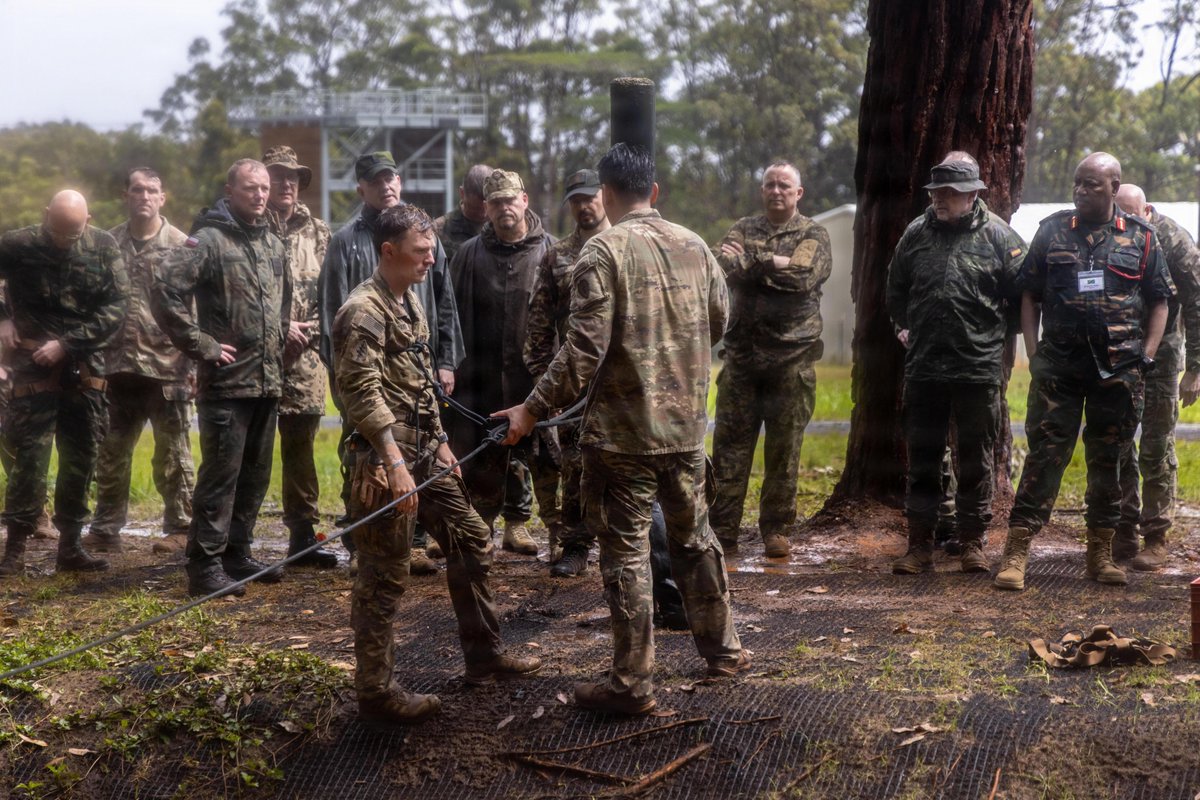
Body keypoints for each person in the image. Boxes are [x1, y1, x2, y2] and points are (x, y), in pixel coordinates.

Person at [495, 144, 746, 715]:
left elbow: (582, 351)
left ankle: (632, 683)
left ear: (605, 194)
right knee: (695, 538)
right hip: (684, 430)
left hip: (622, 438)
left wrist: (528, 411)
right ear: (654, 192)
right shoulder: (696, 246)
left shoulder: (601, 252)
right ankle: (723, 651)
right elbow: (720, 320)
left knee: (627, 553)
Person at [333, 204, 540, 725]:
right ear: (389, 251)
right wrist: (395, 462)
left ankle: (484, 655)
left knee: (471, 538)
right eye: (421, 251)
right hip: (382, 463)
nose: (431, 259)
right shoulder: (363, 311)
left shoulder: (408, 304)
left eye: (432, 249)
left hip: (423, 451)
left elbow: (420, 384)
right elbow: (361, 393)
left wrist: (443, 443)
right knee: (384, 575)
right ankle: (375, 693)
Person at [997, 152, 1173, 591]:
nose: (1081, 191)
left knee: (1109, 463)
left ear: (1115, 187)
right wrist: (1034, 352)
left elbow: (1161, 301)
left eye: (1092, 184)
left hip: (1118, 372)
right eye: (1078, 183)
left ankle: (1101, 554)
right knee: (1044, 458)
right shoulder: (1052, 231)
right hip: (1059, 370)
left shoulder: (1141, 237)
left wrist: (1147, 355)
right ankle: (1016, 552)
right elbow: (1029, 295)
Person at [318, 151, 463, 575]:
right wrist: (346, 387)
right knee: (368, 461)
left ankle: (412, 541)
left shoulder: (423, 235)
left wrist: (446, 361)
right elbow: (333, 317)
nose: (386, 186)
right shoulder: (346, 241)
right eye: (375, 180)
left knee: (417, 457)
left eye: (391, 178)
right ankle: (367, 542)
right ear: (361, 188)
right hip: (366, 377)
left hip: (419, 372)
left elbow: (445, 304)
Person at [152, 159, 291, 597]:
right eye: (251, 187)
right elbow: (164, 290)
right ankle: (204, 566)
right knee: (220, 478)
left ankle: (238, 553)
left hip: (268, 380)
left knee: (255, 475)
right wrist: (203, 345)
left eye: (265, 187)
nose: (261, 195)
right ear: (230, 189)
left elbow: (282, 303)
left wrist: (284, 336)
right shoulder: (208, 240)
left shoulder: (271, 241)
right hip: (227, 383)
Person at [886, 155, 1025, 574]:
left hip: (977, 367)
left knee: (975, 457)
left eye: (949, 193)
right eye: (936, 192)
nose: (940, 200)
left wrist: (994, 337)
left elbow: (1024, 300)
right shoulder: (915, 233)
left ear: (972, 195)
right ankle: (919, 546)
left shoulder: (1001, 237)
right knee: (925, 456)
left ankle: (972, 544)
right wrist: (904, 326)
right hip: (925, 364)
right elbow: (896, 288)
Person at [0, 190, 129, 576]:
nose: (64, 240)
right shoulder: (17, 244)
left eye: (73, 233)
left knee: (80, 459)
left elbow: (118, 305)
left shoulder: (104, 247)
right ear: (46, 216)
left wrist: (68, 344)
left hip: (84, 369)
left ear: (87, 221)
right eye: (58, 230)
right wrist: (2, 316)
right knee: (29, 462)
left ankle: (70, 548)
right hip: (32, 369)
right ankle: (14, 553)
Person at [710, 161, 832, 558]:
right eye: (769, 185)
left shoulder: (814, 232)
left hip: (790, 361)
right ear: (762, 191)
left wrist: (751, 262)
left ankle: (776, 530)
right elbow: (721, 263)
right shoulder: (743, 227)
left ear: (799, 193)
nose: (776, 191)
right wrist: (774, 262)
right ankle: (722, 528)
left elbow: (803, 275)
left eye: (784, 185)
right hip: (742, 360)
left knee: (784, 451)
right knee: (729, 449)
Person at [85, 168, 195, 557]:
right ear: (125, 194)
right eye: (137, 189)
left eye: (152, 190)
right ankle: (105, 528)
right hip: (116, 367)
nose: (144, 196)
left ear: (162, 198)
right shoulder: (107, 243)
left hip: (168, 366)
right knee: (110, 452)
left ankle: (181, 527)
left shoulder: (183, 244)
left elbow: (194, 309)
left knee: (172, 455)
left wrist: (195, 364)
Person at [449, 170, 554, 556]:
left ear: (524, 200)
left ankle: (525, 525)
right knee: (483, 453)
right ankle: (483, 527)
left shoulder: (550, 251)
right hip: (482, 376)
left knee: (543, 458)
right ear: (486, 208)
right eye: (496, 202)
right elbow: (452, 315)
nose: (504, 207)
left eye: (510, 199)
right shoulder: (468, 254)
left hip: (536, 377)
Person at [525, 169, 610, 573]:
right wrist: (549, 384)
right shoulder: (557, 255)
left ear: (605, 196)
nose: (583, 205)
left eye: (589, 197)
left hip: (624, 378)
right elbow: (539, 327)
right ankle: (575, 544)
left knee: (628, 461)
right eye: (575, 199)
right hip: (574, 382)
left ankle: (632, 543)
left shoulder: (624, 246)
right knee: (575, 464)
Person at [1113, 183, 1200, 571]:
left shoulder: (1173, 240)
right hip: (1120, 350)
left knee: (1155, 442)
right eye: (1121, 217)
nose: (1127, 223)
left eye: (1134, 216)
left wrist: (1196, 368)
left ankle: (1156, 535)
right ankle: (1124, 527)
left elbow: (1198, 302)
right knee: (1116, 441)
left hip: (1163, 351)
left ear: (1148, 209)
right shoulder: (1108, 231)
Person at [264, 146, 338, 569]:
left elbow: (329, 293)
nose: (287, 184)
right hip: (257, 355)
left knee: (300, 450)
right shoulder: (250, 225)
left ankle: (302, 537)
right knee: (248, 448)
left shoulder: (319, 232)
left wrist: (304, 334)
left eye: (294, 177)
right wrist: (278, 331)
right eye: (278, 176)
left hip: (305, 357)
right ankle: (234, 540)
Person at [433, 164, 492, 262]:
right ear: (462, 193)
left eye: (488, 207)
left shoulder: (503, 227)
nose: (483, 214)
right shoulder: (438, 230)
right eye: (476, 208)